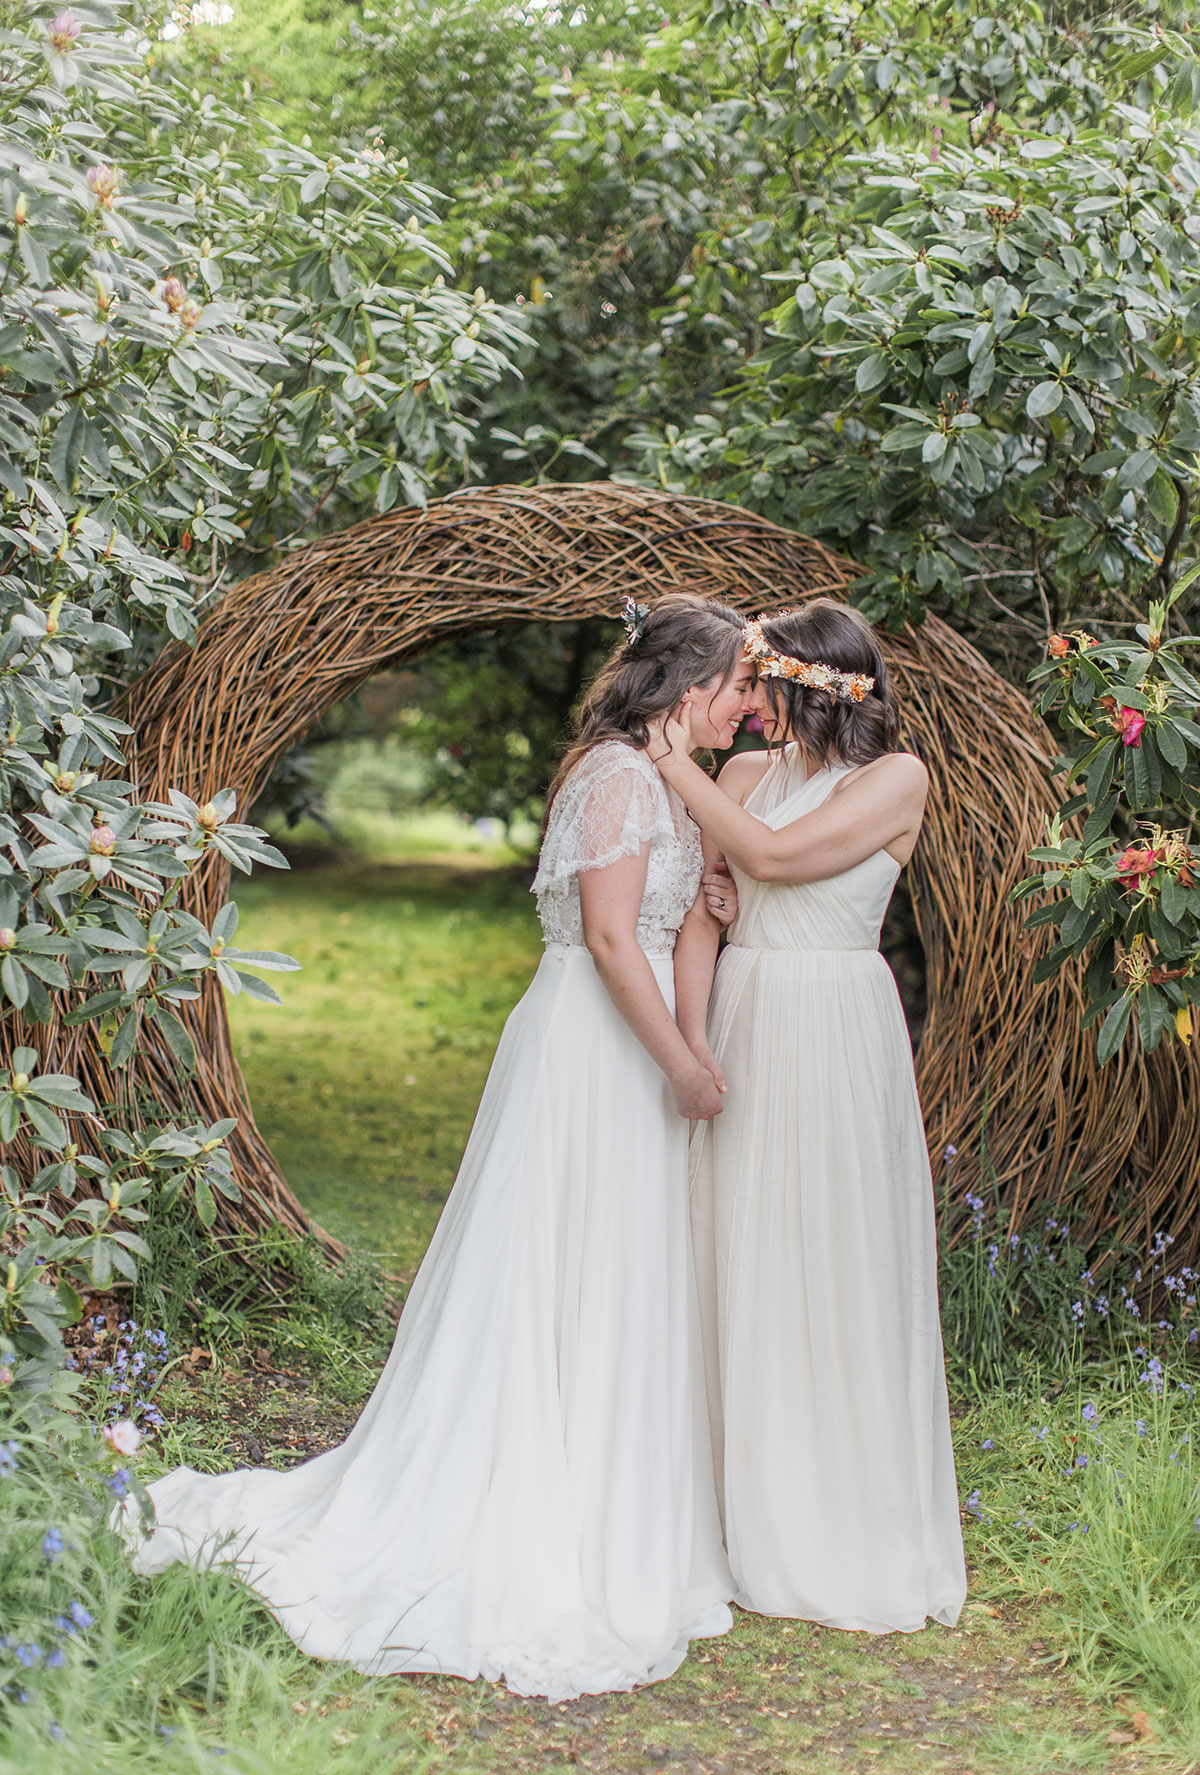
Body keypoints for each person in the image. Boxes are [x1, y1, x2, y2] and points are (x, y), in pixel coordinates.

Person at [121, 593, 757, 1702]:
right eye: (739, 690)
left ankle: (606, 1499)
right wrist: (682, 1064)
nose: (748, 712)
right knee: (561, 1265)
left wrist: (702, 884)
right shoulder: (613, 775)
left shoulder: (661, 783)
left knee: (612, 1273)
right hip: (596, 1048)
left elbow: (654, 913)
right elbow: (610, 940)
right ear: (691, 688)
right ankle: (532, 1509)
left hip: (629, 1040)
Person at [648, 600, 967, 1634]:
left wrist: (669, 762)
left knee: (826, 1255)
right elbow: (709, 910)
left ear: (812, 685)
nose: (745, 709)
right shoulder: (741, 777)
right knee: (731, 1251)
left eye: (762, 686)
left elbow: (775, 865)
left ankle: (828, 1515)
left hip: (834, 1027)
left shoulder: (896, 780)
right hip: (744, 1013)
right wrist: (691, 1042)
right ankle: (730, 1511)